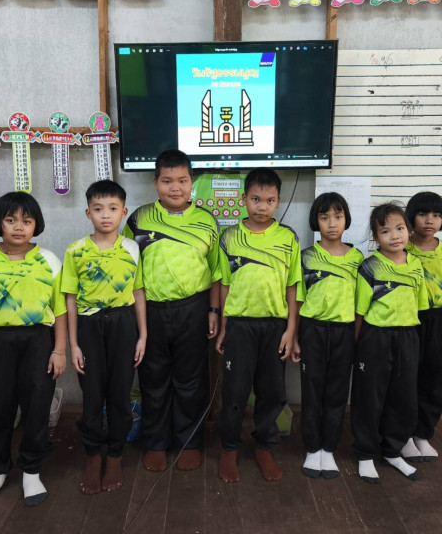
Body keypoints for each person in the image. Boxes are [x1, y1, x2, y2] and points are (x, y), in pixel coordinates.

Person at [0, 192, 68, 508]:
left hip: (39, 341)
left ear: (36, 225)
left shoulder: (49, 260)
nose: (19, 227)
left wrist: (59, 350)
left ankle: (31, 470)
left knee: (37, 406)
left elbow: (61, 310)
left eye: (26, 221)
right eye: (10, 220)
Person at [123, 150, 220, 473]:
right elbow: (125, 266)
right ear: (155, 183)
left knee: (191, 379)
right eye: (167, 181)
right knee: (153, 378)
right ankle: (156, 442)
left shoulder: (207, 221)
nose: (175, 188)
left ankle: (189, 441)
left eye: (182, 180)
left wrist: (213, 310)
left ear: (192, 183)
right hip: (150, 311)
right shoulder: (138, 219)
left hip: (193, 308)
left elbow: (217, 272)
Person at [215, 168, 301, 483]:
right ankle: (229, 448)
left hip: (275, 327)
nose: (262, 206)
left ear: (278, 201)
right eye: (255, 199)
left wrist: (291, 331)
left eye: (269, 200)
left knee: (272, 392)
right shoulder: (229, 237)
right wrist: (223, 327)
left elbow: (293, 287)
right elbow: (224, 284)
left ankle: (264, 447)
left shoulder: (288, 238)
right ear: (244, 200)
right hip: (239, 326)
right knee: (234, 391)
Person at [63, 180, 148, 494]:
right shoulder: (75, 251)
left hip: (124, 324)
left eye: (113, 208)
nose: (106, 215)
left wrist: (143, 335)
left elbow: (138, 292)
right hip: (88, 326)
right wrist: (73, 344)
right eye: (98, 209)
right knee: (92, 394)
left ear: (124, 212)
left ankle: (114, 455)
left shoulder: (132, 249)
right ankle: (92, 456)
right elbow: (70, 299)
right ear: (88, 213)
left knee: (120, 394)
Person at [351, 203, 428, 484]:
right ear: (376, 237)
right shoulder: (369, 266)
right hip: (375, 337)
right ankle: (365, 453)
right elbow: (359, 312)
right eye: (385, 231)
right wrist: (357, 347)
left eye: (400, 228)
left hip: (407, 337)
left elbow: (420, 306)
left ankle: (392, 450)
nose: (394, 236)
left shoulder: (416, 265)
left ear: (409, 230)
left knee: (403, 397)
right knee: (370, 397)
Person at [293, 192, 362, 479]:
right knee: (312, 391)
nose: (332, 223)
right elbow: (298, 298)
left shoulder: (358, 258)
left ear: (346, 219)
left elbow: (360, 305)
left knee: (336, 392)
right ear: (316, 221)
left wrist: (356, 339)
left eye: (338, 216)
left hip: (344, 331)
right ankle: (312, 448)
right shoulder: (305, 257)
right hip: (312, 330)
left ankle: (328, 448)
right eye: (324, 217)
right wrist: (295, 337)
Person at [401, 192, 442, 463]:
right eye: (423, 214)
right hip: (408, 319)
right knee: (406, 378)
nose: (430, 220)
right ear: (411, 217)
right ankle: (403, 434)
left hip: (438, 321)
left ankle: (422, 434)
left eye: (436, 215)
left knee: (433, 379)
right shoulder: (401, 248)